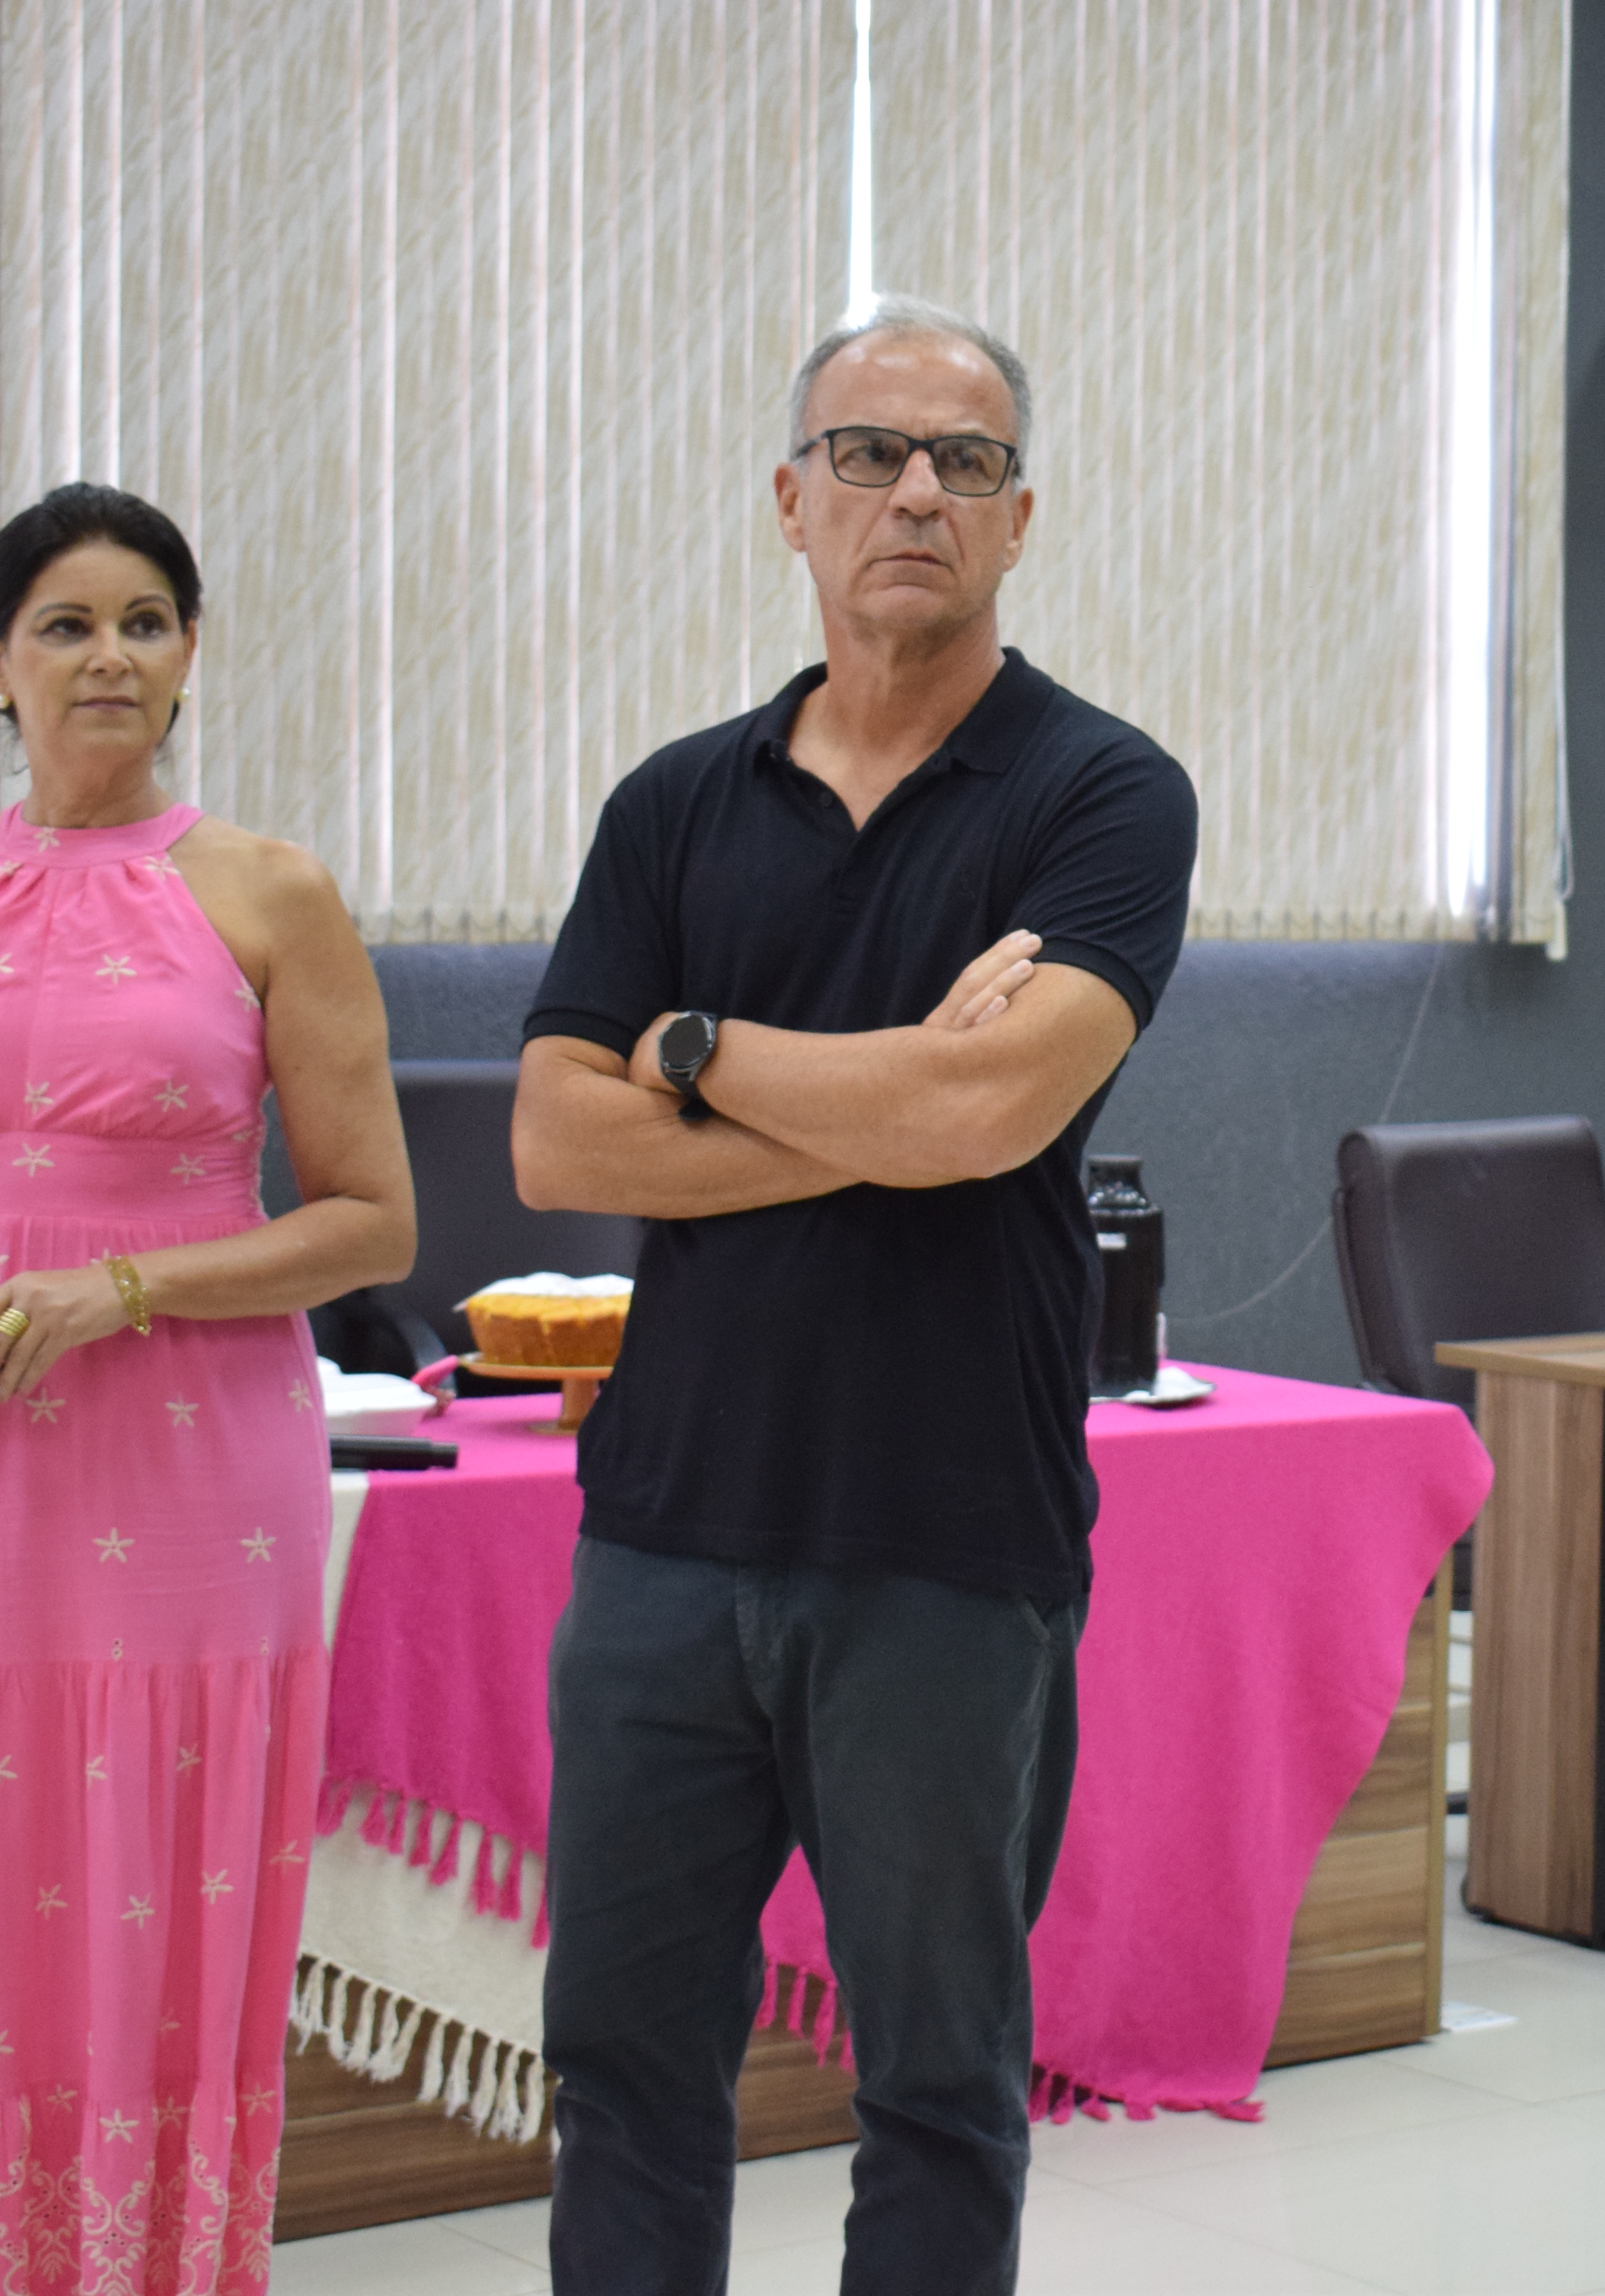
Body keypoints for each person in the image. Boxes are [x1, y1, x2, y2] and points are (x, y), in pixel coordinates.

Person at [513, 295, 1199, 2294]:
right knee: (626, 2069)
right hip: (660, 1537)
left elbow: (996, 1104)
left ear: (1020, 518)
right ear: (790, 504)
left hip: (947, 1549)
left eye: (963, 463)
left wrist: (699, 1047)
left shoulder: (1101, 797)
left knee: (935, 2088)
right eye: (872, 455)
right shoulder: (675, 805)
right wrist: (895, 1098)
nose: (916, 491)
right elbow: (557, 1143)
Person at [0, 483, 417, 2289]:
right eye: (66, 625)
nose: (109, 656)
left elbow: (372, 1222)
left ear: (191, 655)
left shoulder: (270, 892)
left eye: (146, 621)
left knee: (155, 1868)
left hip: (198, 1471)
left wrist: (127, 1287)